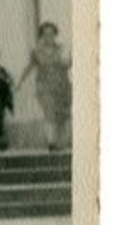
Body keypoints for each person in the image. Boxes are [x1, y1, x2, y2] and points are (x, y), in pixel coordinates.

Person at [19, 21, 72, 152]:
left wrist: (68, 61)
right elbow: (30, 66)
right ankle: (51, 142)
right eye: (45, 34)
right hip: (44, 87)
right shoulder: (37, 51)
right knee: (49, 113)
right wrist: (20, 81)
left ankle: (61, 142)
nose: (49, 37)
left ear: (55, 34)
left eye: (51, 33)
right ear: (42, 36)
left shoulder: (62, 49)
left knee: (62, 115)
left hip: (62, 86)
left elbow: (68, 64)